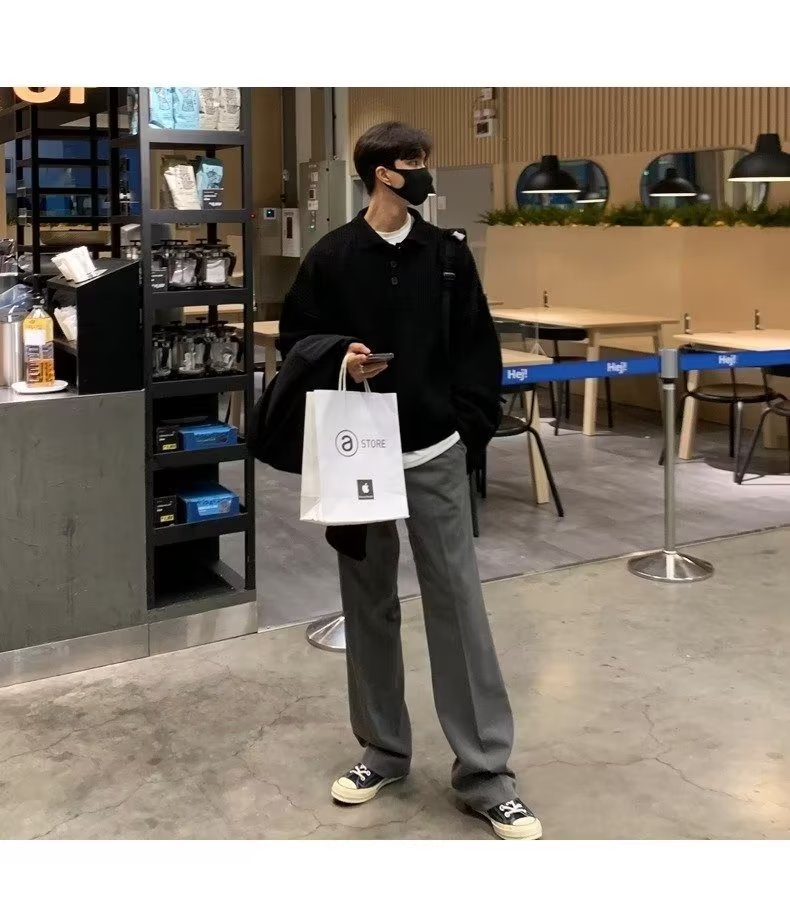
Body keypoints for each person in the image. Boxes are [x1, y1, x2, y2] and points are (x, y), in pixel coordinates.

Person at [279, 121, 541, 840]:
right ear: (381, 174)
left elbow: (477, 346)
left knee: (458, 604)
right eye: (412, 162)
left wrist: (466, 428)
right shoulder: (332, 256)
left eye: (425, 159)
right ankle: (383, 751)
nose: (425, 172)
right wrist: (341, 357)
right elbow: (296, 339)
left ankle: (486, 772)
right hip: (357, 454)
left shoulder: (447, 255)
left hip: (435, 450)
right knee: (367, 603)